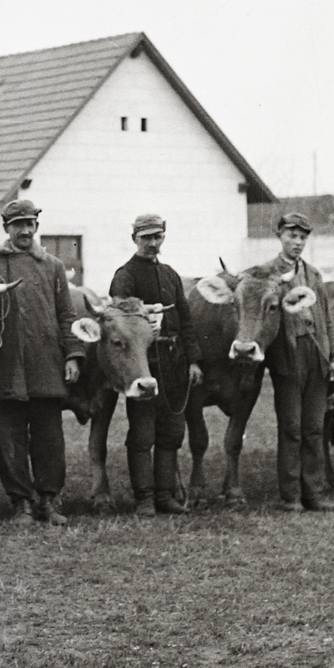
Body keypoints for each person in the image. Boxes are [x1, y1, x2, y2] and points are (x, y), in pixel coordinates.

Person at [0, 199, 84, 525]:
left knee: (49, 438)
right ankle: (20, 503)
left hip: (46, 364)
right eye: (17, 224)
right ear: (6, 228)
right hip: (5, 367)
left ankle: (48, 501)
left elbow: (67, 314)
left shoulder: (52, 266)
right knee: (10, 439)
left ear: (37, 226)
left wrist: (73, 355)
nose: (24, 230)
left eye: (30, 223)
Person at [109, 213, 205, 517]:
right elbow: (117, 318)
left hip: (175, 365)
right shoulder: (125, 275)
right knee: (142, 434)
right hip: (143, 365)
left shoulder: (171, 275)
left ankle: (165, 495)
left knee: (171, 431)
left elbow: (186, 321)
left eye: (157, 237)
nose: (153, 243)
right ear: (134, 238)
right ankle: (145, 498)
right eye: (146, 237)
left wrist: (193, 361)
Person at [265, 212, 334, 512]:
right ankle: (291, 496)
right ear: (280, 236)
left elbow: (328, 318)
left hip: (317, 356)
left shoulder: (314, 275)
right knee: (292, 427)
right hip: (288, 355)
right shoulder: (268, 273)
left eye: (302, 237)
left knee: (314, 428)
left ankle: (313, 493)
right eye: (291, 236)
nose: (297, 242)